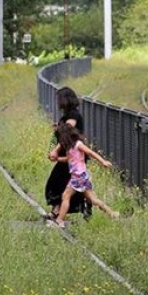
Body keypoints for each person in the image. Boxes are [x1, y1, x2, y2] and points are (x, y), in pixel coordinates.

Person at [48, 123, 119, 228]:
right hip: (81, 176)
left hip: (79, 176)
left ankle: (59, 221)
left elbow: (91, 153)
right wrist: (57, 159)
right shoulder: (70, 147)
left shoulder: (78, 144)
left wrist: (103, 161)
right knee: (92, 200)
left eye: (61, 138)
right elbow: (68, 159)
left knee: (65, 196)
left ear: (66, 136)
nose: (60, 141)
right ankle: (112, 213)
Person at [45, 87, 91, 219]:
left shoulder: (73, 115)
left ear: (65, 100)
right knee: (67, 184)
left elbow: (68, 131)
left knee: (56, 182)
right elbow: (65, 129)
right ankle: (64, 209)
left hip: (73, 155)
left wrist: (56, 149)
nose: (58, 101)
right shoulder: (68, 115)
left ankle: (60, 211)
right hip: (71, 154)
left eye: (59, 99)